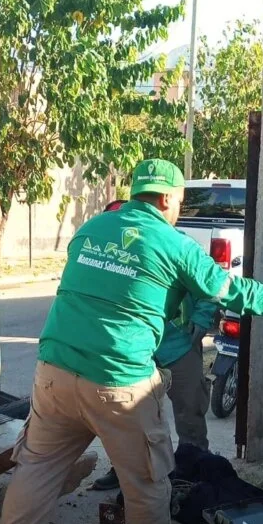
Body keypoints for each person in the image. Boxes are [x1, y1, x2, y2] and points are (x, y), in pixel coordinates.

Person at [0, 158, 263, 524]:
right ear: (166, 198)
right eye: (180, 200)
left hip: (53, 373)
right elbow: (232, 292)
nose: (179, 208)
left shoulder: (91, 230)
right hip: (118, 382)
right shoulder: (173, 244)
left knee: (37, 469)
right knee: (145, 476)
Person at [91, 197, 218, 490]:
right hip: (132, 351)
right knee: (126, 414)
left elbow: (209, 286)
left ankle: (193, 465)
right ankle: (122, 469)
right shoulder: (106, 252)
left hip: (178, 344)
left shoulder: (176, 244)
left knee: (189, 408)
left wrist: (201, 316)